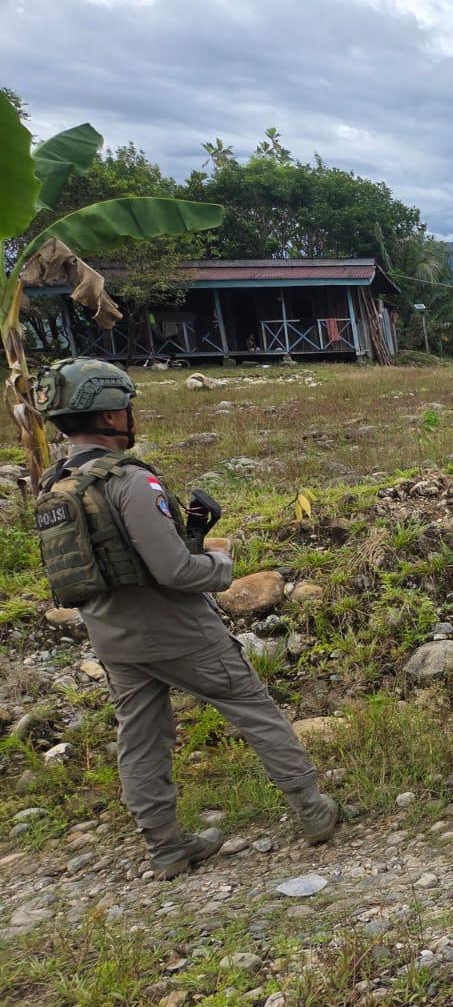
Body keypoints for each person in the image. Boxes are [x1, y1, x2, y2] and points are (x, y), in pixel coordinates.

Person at [31, 358, 341, 879]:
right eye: (127, 406)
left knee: (141, 738)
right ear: (109, 416)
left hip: (112, 637)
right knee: (253, 708)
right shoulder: (131, 482)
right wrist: (219, 565)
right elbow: (174, 570)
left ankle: (167, 848)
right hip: (177, 631)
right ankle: (313, 812)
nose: (132, 415)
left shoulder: (56, 485)